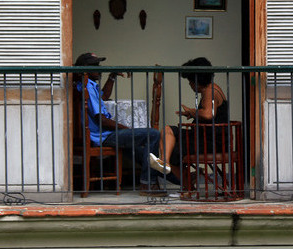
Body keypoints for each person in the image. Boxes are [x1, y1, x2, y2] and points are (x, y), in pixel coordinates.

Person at [73, 52, 170, 194]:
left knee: (141, 152)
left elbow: (104, 96)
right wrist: (127, 128)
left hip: (104, 135)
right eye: (95, 66)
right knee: (153, 134)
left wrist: (112, 76)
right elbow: (102, 120)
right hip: (103, 137)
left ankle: (178, 179)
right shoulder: (87, 87)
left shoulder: (88, 85)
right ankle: (147, 184)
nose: (99, 69)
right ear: (85, 69)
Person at [160, 57, 230, 182]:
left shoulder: (210, 91)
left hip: (210, 141)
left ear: (196, 81)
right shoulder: (211, 89)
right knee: (168, 130)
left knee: (174, 150)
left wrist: (193, 111)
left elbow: (209, 114)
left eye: (190, 81)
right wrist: (193, 115)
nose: (190, 85)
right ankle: (164, 163)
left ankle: (186, 184)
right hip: (202, 136)